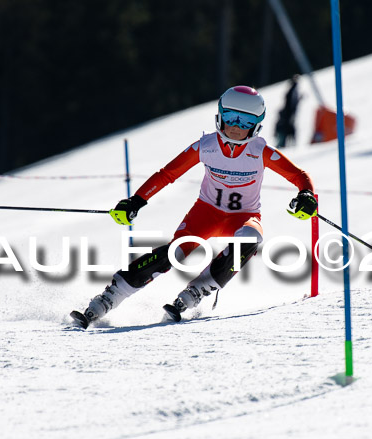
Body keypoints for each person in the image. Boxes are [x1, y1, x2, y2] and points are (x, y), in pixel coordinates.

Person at [70, 85, 317, 329]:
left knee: (251, 237)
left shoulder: (260, 150)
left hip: (242, 218)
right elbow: (167, 174)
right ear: (220, 116)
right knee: (173, 254)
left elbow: (299, 175)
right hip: (206, 214)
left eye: (245, 122)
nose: (236, 127)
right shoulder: (206, 145)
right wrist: (136, 201)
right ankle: (108, 298)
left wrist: (306, 194)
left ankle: (197, 291)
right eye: (231, 117)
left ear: (256, 125)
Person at [274, 75, 300, 148]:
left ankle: (284, 145)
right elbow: (289, 99)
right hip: (286, 119)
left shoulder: (293, 93)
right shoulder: (291, 93)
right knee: (283, 137)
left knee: (285, 133)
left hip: (288, 117)